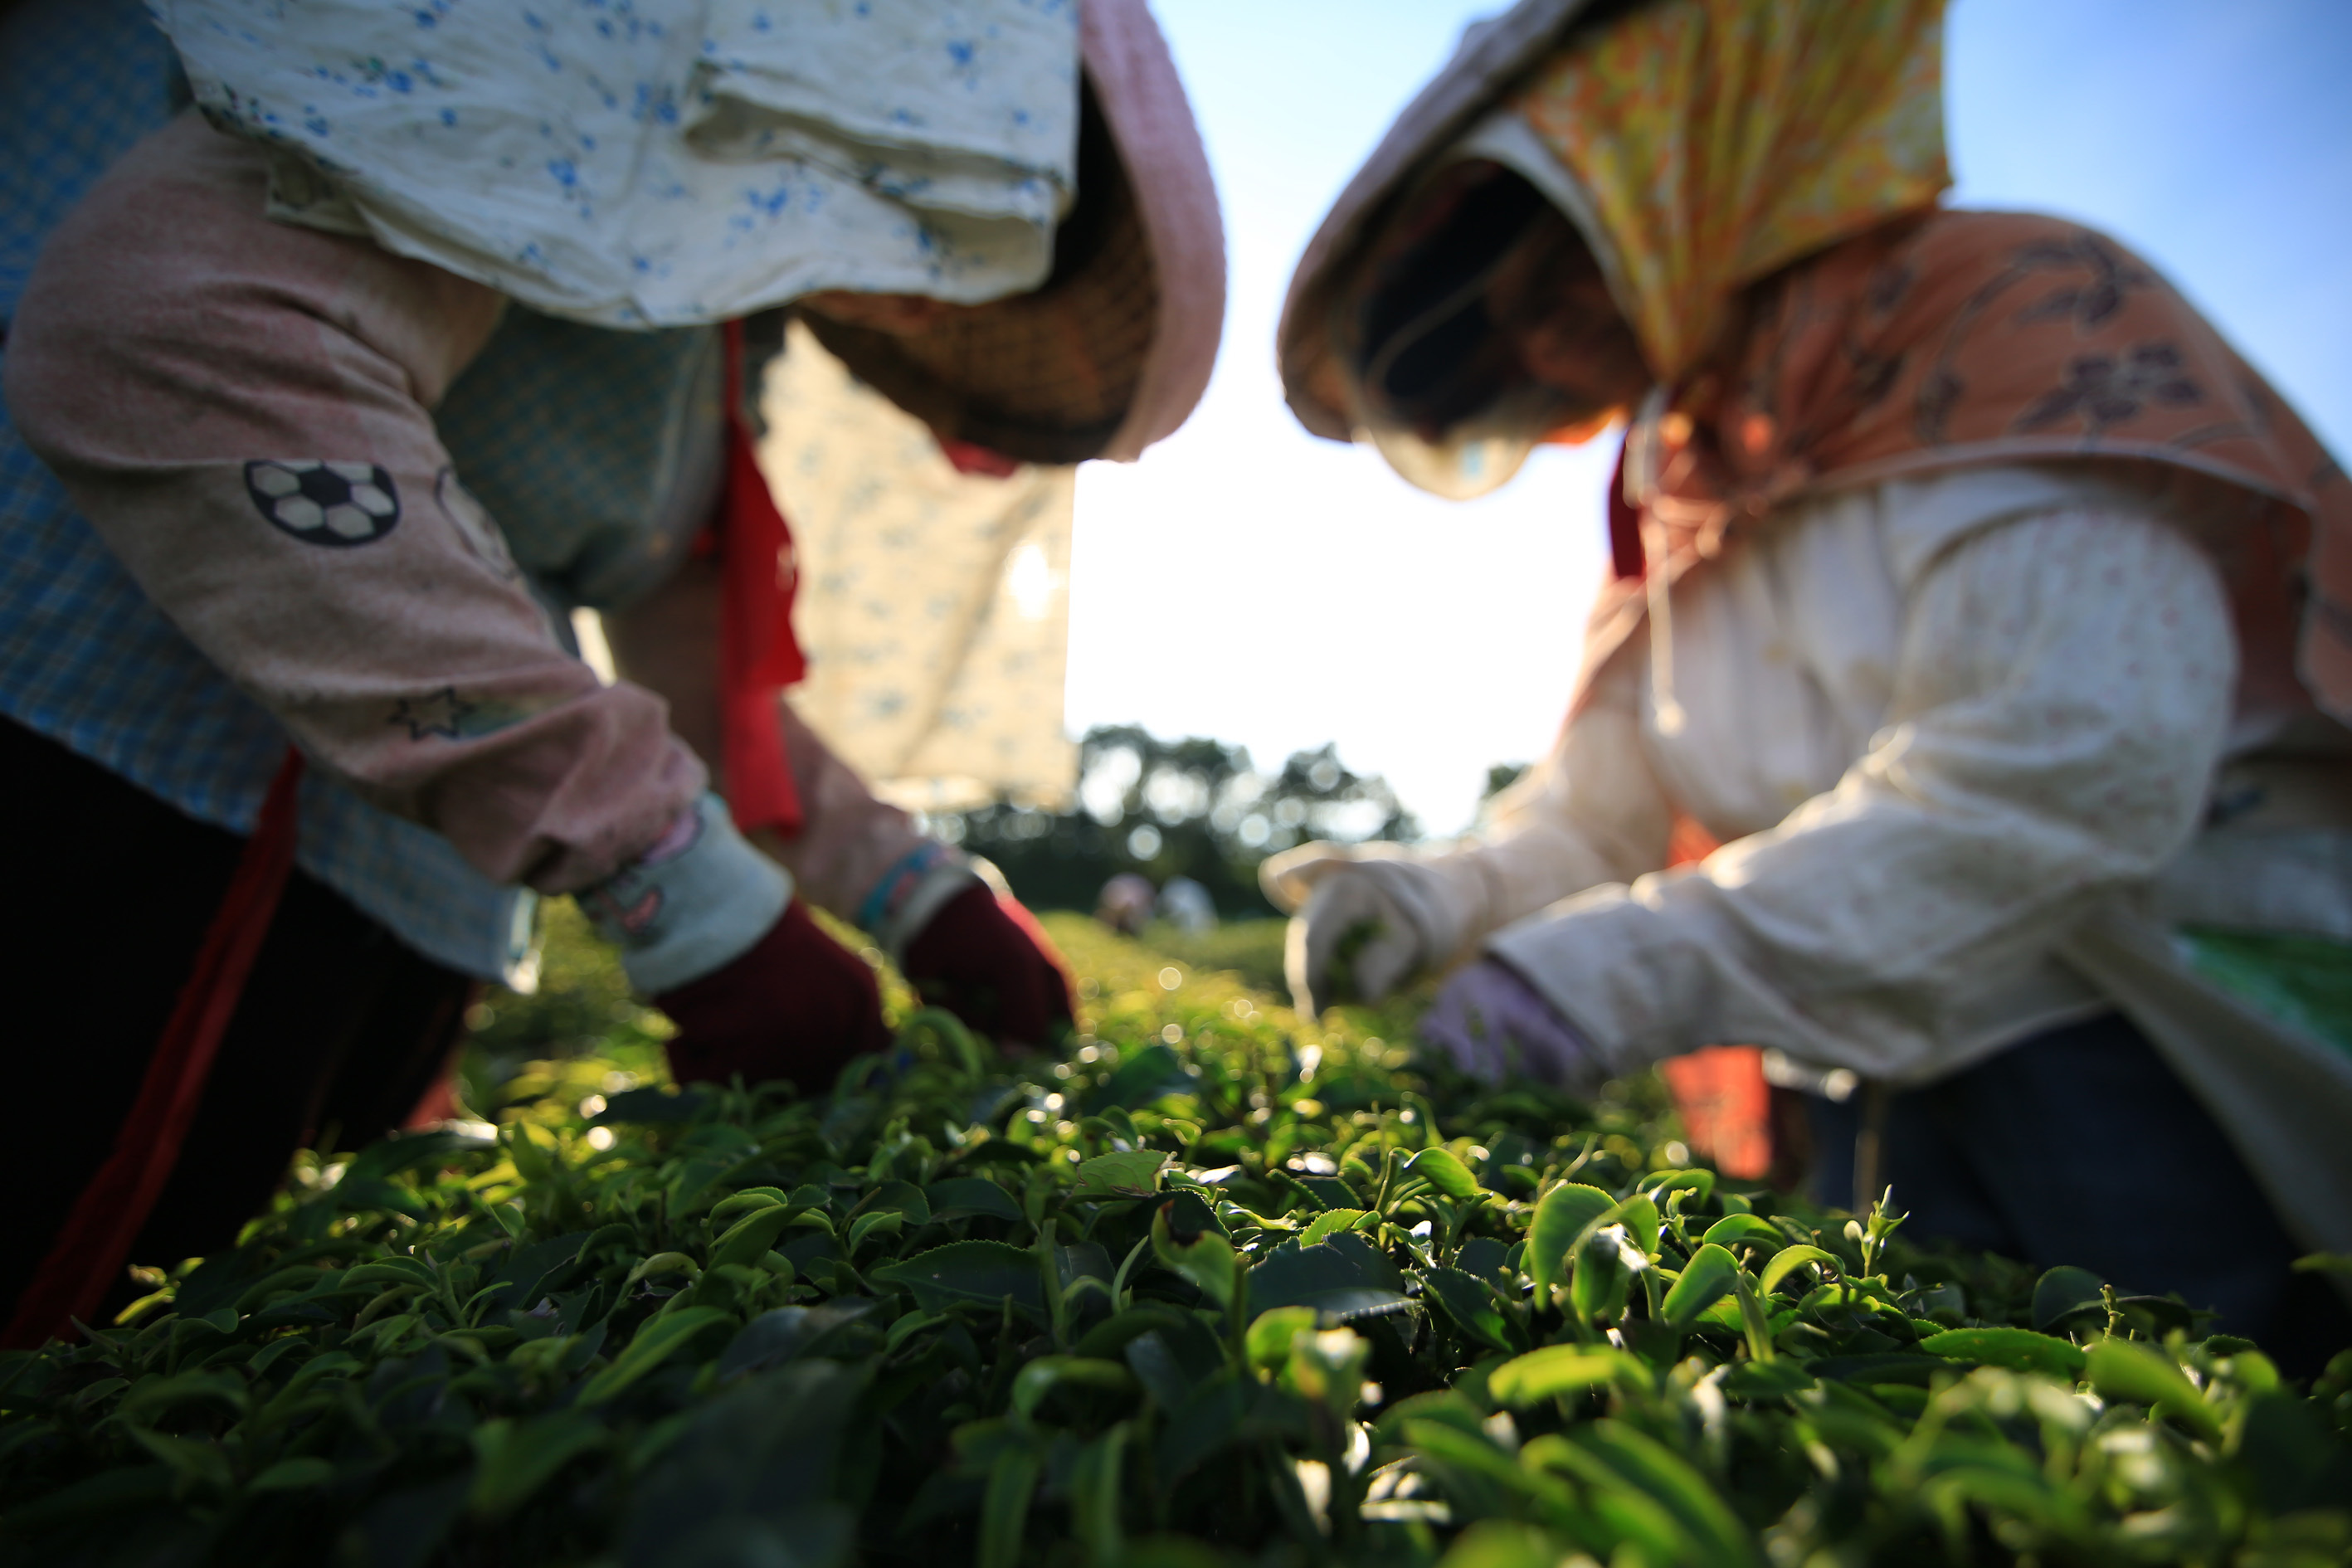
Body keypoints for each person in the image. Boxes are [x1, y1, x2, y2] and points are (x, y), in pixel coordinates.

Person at [0, 0, 1220, 1342]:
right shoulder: (562, 52)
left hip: (400, 869)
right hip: (144, 777)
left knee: (237, 1353)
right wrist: (683, 894)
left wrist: (919, 889)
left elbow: (704, 696)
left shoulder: (696, 291)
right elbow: (174, 329)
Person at [1264, 0, 2352, 1366]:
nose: (1548, 361)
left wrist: (1619, 972)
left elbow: (2074, 758)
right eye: (1508, 346)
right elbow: (1602, 816)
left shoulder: (2010, 315)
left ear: (1671, 177)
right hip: (1856, 1064)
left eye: (1555, 291)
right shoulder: (1684, 472)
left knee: (2199, 1423)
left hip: (2137, 1047)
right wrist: (1441, 897)